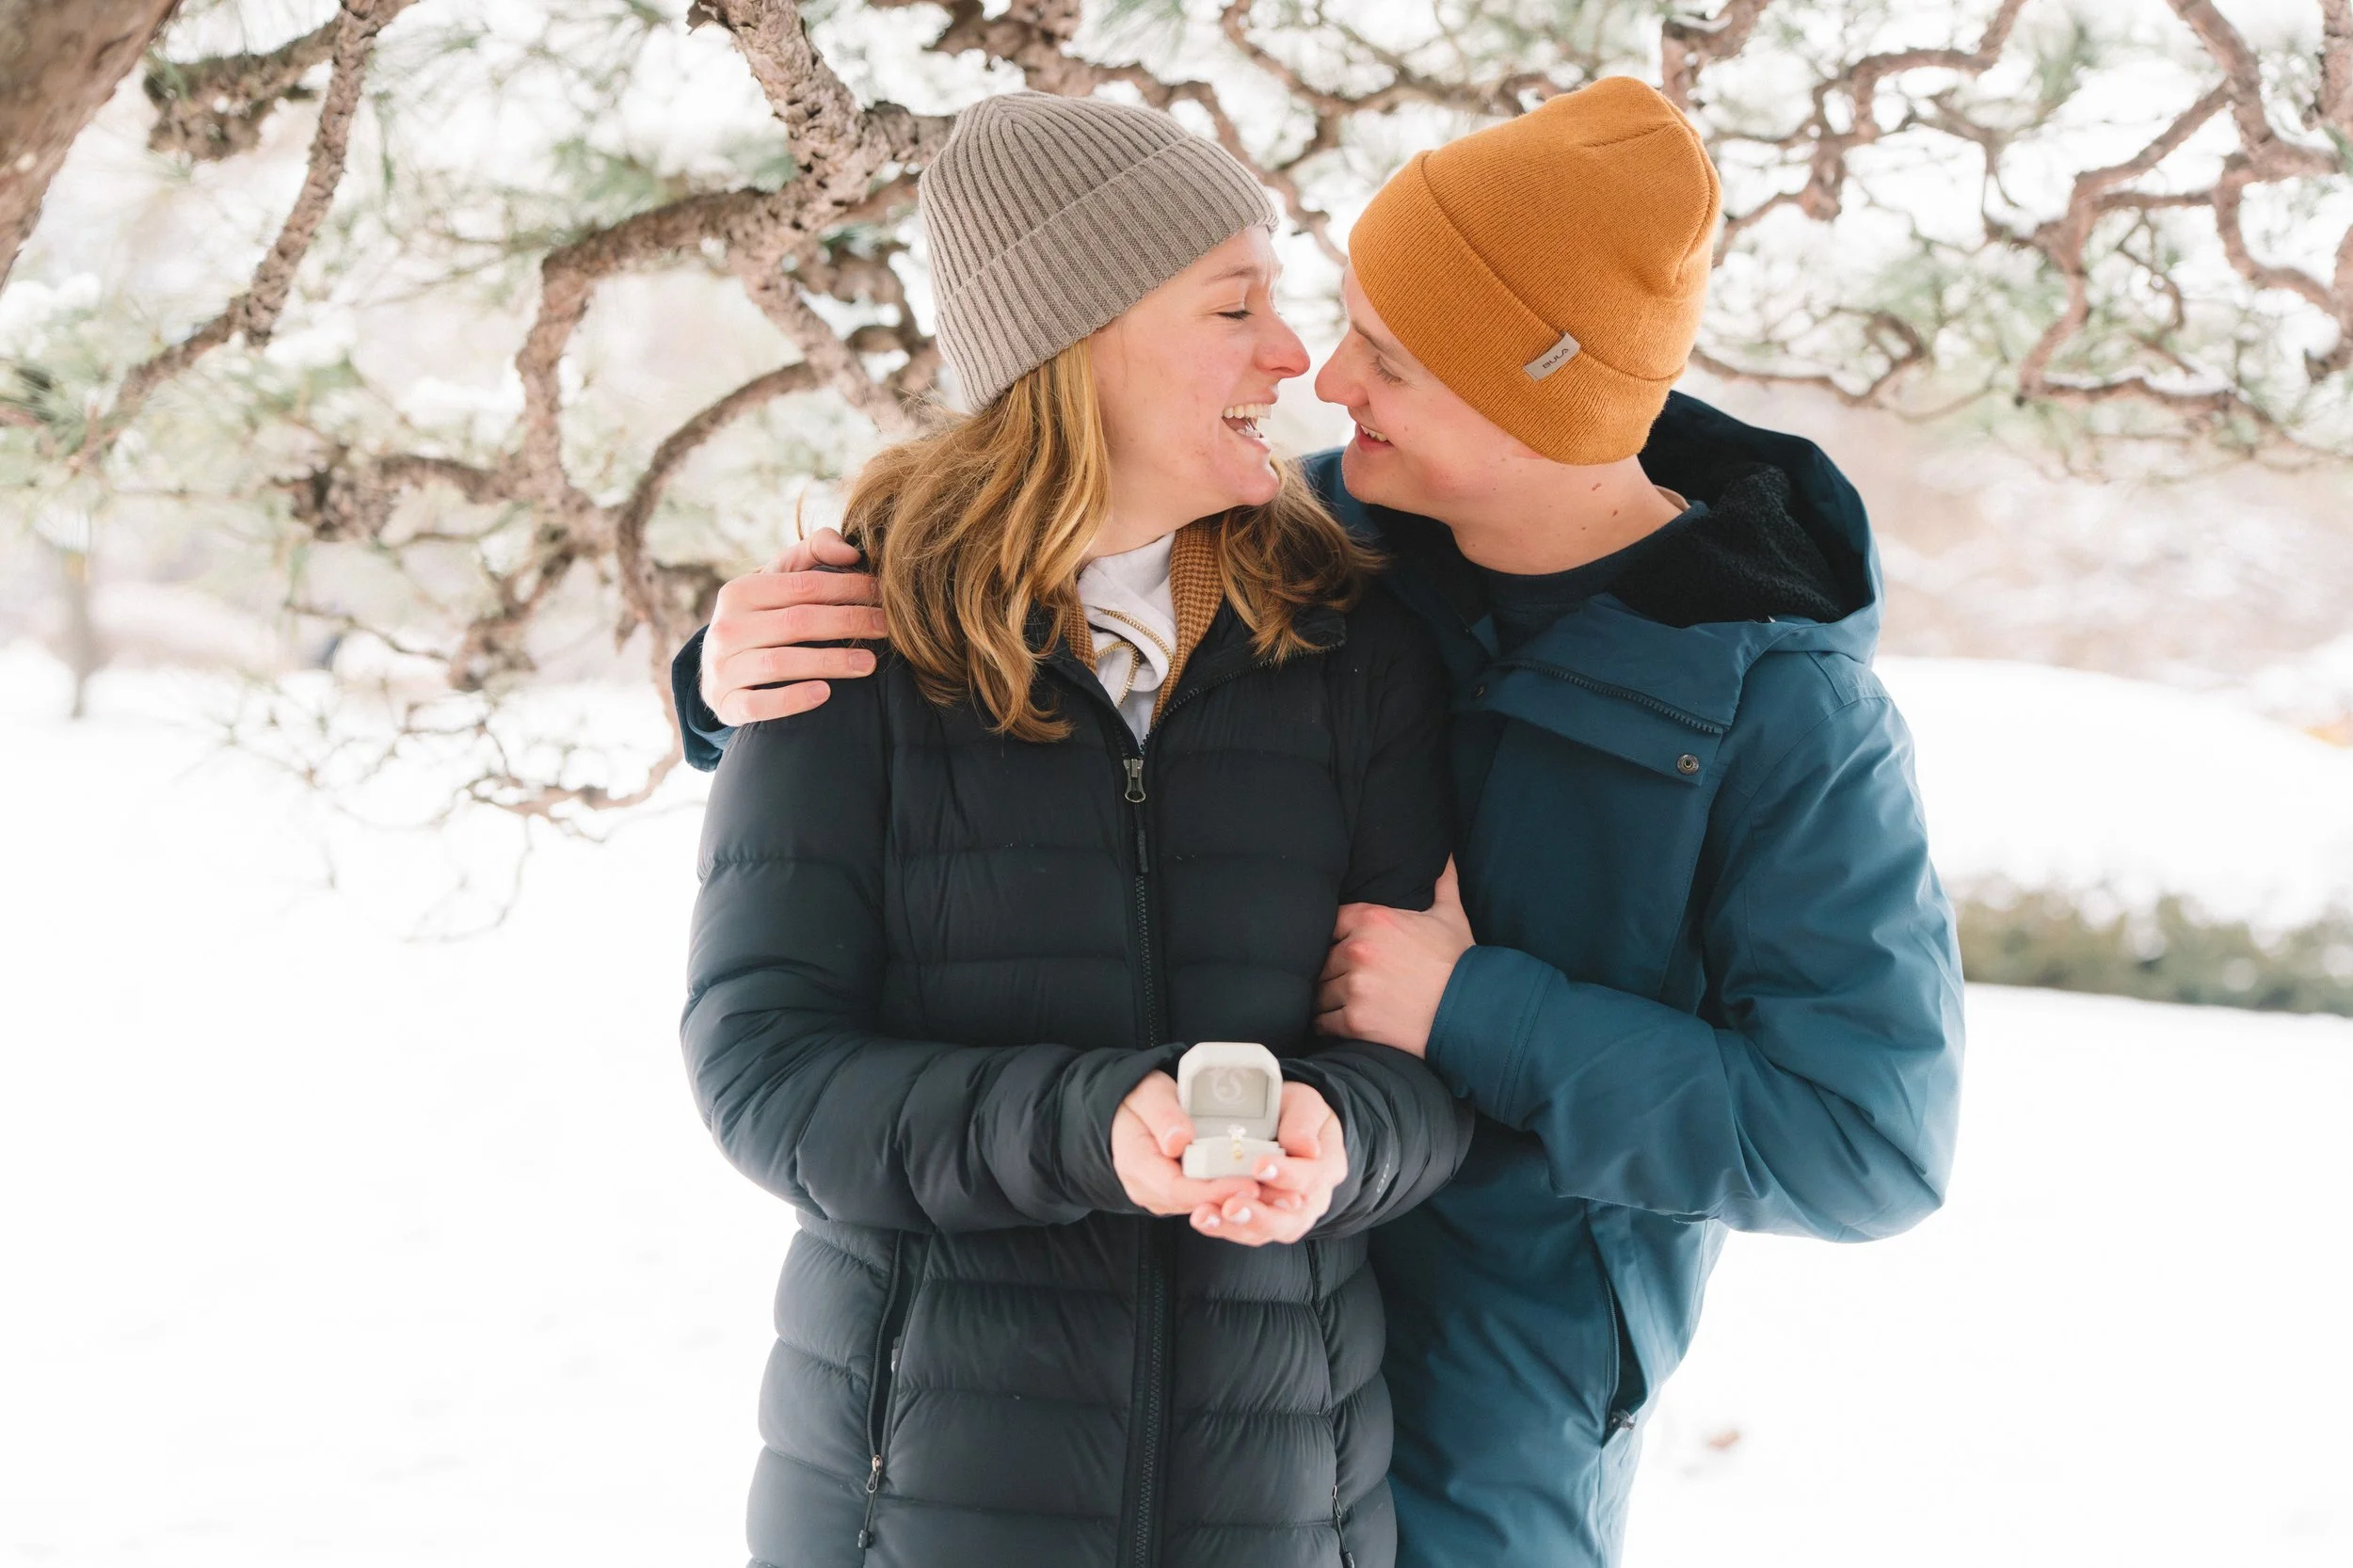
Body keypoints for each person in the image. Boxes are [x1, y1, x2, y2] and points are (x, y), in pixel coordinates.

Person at [682, 79, 1964, 1568]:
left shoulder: (1759, 707)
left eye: (1389, 358)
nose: (1323, 374)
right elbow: (1022, 563)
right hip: (1101, 1419)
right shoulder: (1323, 551)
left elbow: (1869, 1139)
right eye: (1311, 318)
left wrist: (1471, 1015)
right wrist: (733, 678)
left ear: (1529, 396)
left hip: (1487, 1411)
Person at [681, 92, 1470, 1568]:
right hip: (914, 1513)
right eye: (1235, 306)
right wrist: (1092, 1127)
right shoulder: (846, 640)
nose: (1293, 355)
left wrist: (1342, 1140)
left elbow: (1424, 1072)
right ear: (1080, 340)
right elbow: (765, 1075)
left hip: (1284, 1514)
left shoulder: (1351, 646)